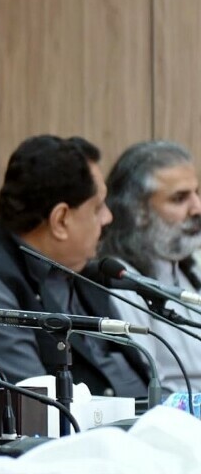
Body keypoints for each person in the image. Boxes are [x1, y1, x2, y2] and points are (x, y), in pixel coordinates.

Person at [0, 134, 149, 397]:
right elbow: (35, 403)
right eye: (97, 208)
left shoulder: (81, 266)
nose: (108, 217)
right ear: (60, 220)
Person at [100, 140, 201, 393]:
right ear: (138, 211)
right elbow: (149, 385)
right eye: (180, 198)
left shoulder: (192, 266)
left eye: (196, 193)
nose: (197, 208)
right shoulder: (122, 280)